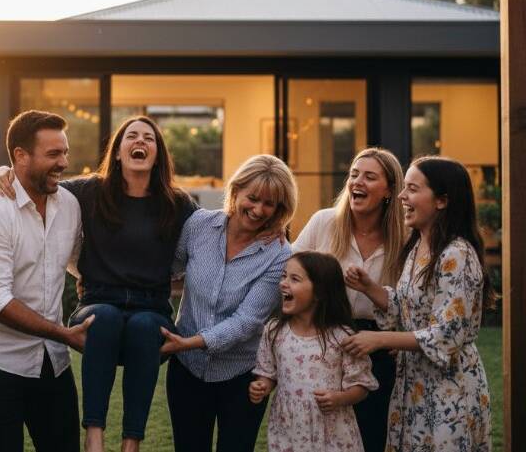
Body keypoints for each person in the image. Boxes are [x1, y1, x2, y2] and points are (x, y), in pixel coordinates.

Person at [0, 116, 196, 452]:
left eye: (149, 138)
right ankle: (94, 435)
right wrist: (5, 172)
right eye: (131, 136)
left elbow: (215, 229)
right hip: (100, 300)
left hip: (151, 307)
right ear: (117, 151)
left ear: (158, 154)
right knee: (105, 318)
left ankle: (132, 441)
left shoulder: (178, 203)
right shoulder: (88, 191)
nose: (140, 141)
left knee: (144, 326)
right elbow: (40, 181)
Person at [343, 156, 495, 452]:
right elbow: (407, 307)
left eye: (412, 189)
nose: (401, 196)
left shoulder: (457, 254)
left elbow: (446, 334)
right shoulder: (417, 246)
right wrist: (369, 287)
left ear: (441, 201)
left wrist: (380, 338)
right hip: (412, 385)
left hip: (449, 389)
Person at [0, 110, 90, 452]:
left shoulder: (69, 204)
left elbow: (77, 264)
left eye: (65, 152)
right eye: (53, 154)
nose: (63, 162)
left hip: (51, 360)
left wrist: (94, 292)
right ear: (20, 156)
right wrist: (63, 333)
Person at [162, 154, 297, 452]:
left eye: (270, 204)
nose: (258, 209)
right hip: (187, 371)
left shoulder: (280, 254)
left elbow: (248, 321)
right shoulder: (198, 225)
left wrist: (187, 342)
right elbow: (169, 271)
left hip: (240, 375)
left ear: (280, 208)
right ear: (236, 191)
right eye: (253, 198)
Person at [292, 147, 404, 452]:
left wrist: (397, 337)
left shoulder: (405, 237)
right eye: (354, 174)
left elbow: (413, 299)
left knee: (372, 434)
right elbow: (290, 273)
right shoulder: (324, 222)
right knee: (321, 434)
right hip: (324, 341)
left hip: (378, 349)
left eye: (370, 177)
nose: (358, 182)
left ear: (389, 190)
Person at [249, 251, 378, 452]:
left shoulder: (342, 336)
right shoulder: (274, 331)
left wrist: (340, 399)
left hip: (332, 433)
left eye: (294, 279)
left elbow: (362, 384)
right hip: (288, 430)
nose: (283, 283)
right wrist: (262, 386)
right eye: (283, 276)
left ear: (319, 292)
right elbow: (267, 372)